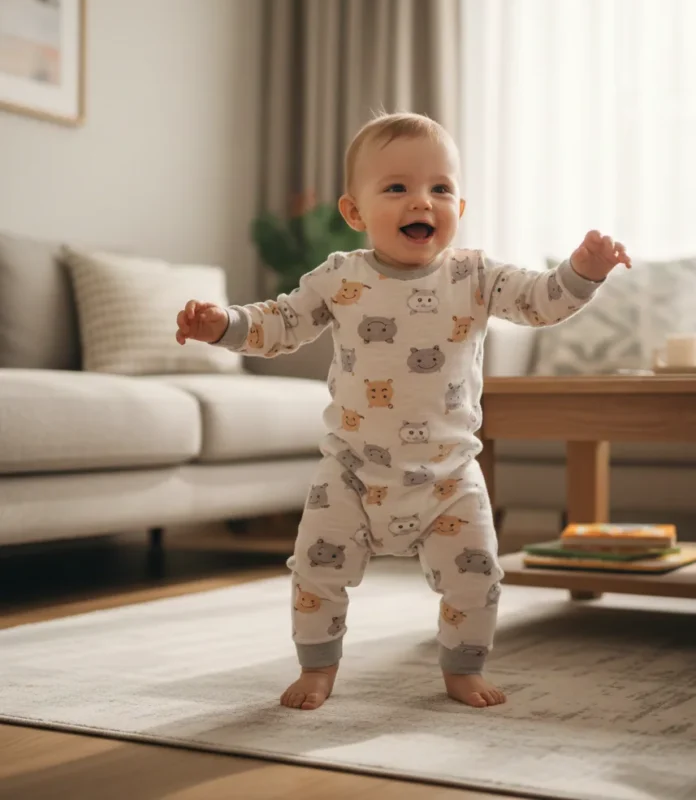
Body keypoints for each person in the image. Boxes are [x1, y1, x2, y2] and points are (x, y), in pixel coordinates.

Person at [175, 112, 631, 711]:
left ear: (459, 208)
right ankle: (318, 668)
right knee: (316, 570)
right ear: (355, 212)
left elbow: (539, 301)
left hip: (449, 476)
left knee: (477, 577)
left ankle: (463, 669)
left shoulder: (477, 275)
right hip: (351, 471)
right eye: (397, 188)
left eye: (440, 188)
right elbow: (279, 324)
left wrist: (582, 273)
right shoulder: (340, 278)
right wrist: (224, 324)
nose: (422, 200)